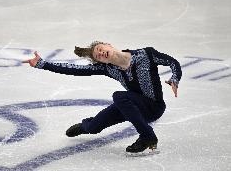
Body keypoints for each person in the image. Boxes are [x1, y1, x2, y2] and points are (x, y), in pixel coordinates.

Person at [23, 41, 182, 154]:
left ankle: (148, 137)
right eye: (98, 56)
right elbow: (75, 69)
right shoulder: (108, 68)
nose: (100, 53)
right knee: (94, 127)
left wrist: (175, 78)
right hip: (131, 104)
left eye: (100, 48)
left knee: (119, 96)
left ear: (108, 44)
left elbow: (172, 62)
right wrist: (43, 64)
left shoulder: (146, 55)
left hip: (153, 108)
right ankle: (86, 125)